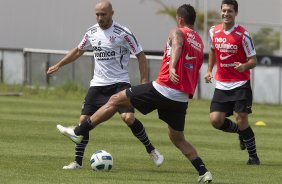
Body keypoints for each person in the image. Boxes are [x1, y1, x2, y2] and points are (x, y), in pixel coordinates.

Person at [58, 4, 213, 184]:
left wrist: (172, 66)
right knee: (177, 138)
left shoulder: (177, 31)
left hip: (163, 87)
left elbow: (177, 41)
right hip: (181, 97)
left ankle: (78, 131)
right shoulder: (199, 42)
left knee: (116, 99)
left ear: (180, 19)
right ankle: (203, 172)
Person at [47, 0, 164, 169]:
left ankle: (152, 151)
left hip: (120, 83)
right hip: (98, 84)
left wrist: (144, 82)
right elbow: (79, 50)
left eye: (103, 14)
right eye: (97, 14)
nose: (100, 18)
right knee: (83, 120)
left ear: (112, 13)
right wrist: (59, 64)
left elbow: (140, 55)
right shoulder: (91, 32)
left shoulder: (123, 33)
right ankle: (77, 162)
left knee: (128, 117)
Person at [204, 0, 260, 165]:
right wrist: (209, 71)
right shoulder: (213, 31)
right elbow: (213, 51)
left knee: (241, 118)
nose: (226, 14)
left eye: (230, 11)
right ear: (220, 12)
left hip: (240, 83)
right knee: (215, 120)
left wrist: (245, 66)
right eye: (224, 10)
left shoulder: (243, 34)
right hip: (222, 84)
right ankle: (241, 133)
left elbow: (254, 61)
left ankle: (253, 157)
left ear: (236, 13)